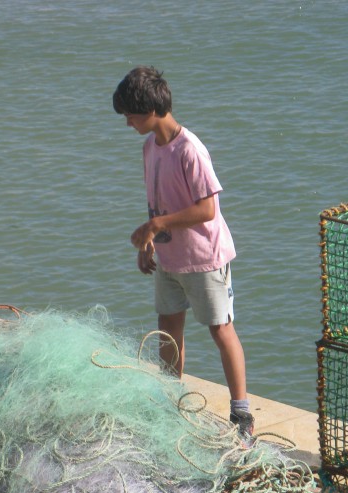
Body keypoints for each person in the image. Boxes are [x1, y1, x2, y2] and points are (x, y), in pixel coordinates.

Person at [112, 66, 254, 439]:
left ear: (151, 110)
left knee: (221, 329)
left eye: (130, 114)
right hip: (169, 259)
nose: (127, 122)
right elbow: (155, 203)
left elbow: (207, 209)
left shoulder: (190, 149)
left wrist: (157, 227)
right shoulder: (149, 148)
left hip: (205, 258)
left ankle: (242, 415)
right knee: (168, 329)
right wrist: (148, 244)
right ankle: (169, 403)